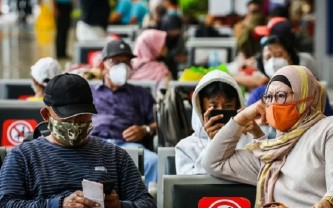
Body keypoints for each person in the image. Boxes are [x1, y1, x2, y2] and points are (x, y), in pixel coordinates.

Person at [202, 65, 333, 208]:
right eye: (268, 97)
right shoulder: (270, 154)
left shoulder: (332, 128)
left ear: (305, 95)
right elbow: (214, 163)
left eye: (281, 95)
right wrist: (240, 119)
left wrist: (327, 203)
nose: (273, 103)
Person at [0, 73, 156, 207]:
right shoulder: (22, 158)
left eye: (82, 118)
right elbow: (6, 203)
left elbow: (147, 203)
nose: (75, 125)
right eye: (67, 119)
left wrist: (120, 205)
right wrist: (58, 204)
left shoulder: (114, 156)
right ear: (46, 115)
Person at [89, 39, 158, 188]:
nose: (123, 66)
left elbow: (159, 123)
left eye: (127, 62)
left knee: (154, 162)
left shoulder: (141, 94)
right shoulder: (88, 92)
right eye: (116, 61)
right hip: (93, 145)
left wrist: (145, 130)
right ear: (103, 65)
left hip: (128, 146)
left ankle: (146, 202)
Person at [175, 70, 258, 175]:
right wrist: (215, 143)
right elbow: (189, 185)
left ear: (237, 107)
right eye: (213, 107)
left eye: (228, 106)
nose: (221, 113)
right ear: (200, 108)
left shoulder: (250, 141)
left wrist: (258, 136)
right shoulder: (186, 147)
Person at [247, 35, 332, 116]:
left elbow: (326, 123)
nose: (273, 60)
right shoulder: (257, 95)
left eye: (279, 55)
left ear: (290, 58)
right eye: (268, 57)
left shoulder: (313, 91)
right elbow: (248, 124)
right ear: (262, 63)